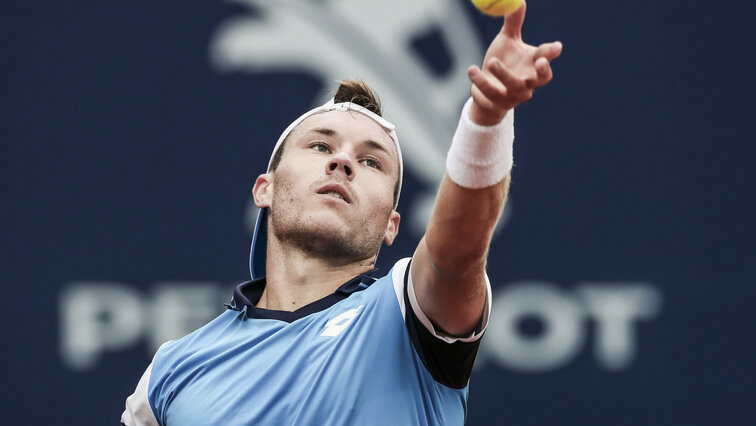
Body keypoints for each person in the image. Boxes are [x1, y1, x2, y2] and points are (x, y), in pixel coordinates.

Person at [122, 3, 561, 425]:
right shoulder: (171, 371)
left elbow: (457, 253)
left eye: (371, 162)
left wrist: (488, 117)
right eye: (320, 146)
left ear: (392, 223)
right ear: (265, 189)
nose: (343, 162)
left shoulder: (408, 314)